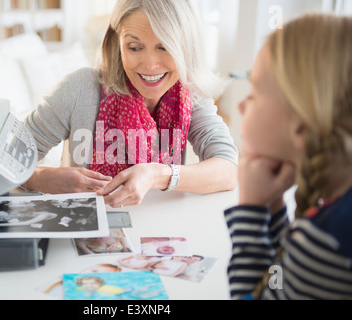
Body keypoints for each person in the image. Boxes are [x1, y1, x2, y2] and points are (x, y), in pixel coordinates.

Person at [22, 0, 238, 208]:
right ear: (117, 45)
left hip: (161, 232)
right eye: (134, 47)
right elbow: (5, 158)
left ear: (185, 48)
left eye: (164, 47)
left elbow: (228, 170)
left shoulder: (191, 93)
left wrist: (156, 174)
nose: (150, 65)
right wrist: (40, 178)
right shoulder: (79, 89)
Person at [224, 13, 352, 300]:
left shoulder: (325, 241)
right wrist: (273, 208)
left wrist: (251, 210)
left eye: (255, 91)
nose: (242, 104)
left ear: (301, 125)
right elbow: (284, 282)